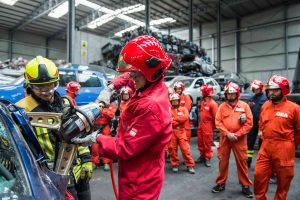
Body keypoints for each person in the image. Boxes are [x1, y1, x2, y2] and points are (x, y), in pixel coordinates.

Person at [72, 35, 173, 200]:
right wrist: (111, 87)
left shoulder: (151, 106)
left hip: (140, 181)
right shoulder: (148, 83)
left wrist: (96, 138)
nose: (132, 77)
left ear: (149, 72)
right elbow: (128, 77)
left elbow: (124, 148)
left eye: (135, 73)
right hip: (136, 168)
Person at [16, 56, 90, 199]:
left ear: (56, 82)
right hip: (47, 179)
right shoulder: (22, 110)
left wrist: (86, 158)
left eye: (50, 85)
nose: (46, 91)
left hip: (75, 174)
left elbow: (79, 134)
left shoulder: (66, 104)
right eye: (39, 87)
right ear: (29, 85)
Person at [254, 74, 300, 200]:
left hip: (284, 147)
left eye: (275, 90)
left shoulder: (294, 108)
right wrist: (261, 130)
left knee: (283, 182)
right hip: (266, 146)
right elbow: (261, 122)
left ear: (283, 90)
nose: (271, 93)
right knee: (258, 176)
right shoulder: (265, 106)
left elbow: (299, 130)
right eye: (269, 90)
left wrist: (291, 145)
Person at [212, 81, 253, 198]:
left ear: (237, 94)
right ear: (226, 95)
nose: (230, 96)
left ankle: (245, 185)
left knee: (242, 162)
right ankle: (220, 183)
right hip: (225, 139)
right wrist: (227, 133)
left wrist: (238, 134)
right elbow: (218, 122)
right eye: (228, 94)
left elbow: (249, 123)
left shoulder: (244, 106)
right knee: (222, 162)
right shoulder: (221, 107)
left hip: (240, 140)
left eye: (232, 94)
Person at [65, 81, 93, 200]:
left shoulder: (71, 102)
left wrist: (86, 160)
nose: (77, 93)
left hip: (77, 168)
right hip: (63, 174)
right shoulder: (66, 103)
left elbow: (78, 136)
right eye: (76, 90)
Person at [168, 92, 195, 174]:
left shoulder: (183, 109)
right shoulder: (169, 110)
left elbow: (185, 117)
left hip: (181, 131)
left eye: (176, 100)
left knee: (185, 149)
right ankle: (175, 164)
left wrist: (174, 119)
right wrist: (178, 120)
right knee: (172, 149)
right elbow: (168, 121)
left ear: (179, 101)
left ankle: (190, 165)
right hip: (172, 132)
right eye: (173, 101)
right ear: (171, 102)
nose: (175, 102)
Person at [246, 80, 267, 168]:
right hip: (253, 124)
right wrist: (249, 106)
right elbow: (248, 110)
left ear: (261, 88)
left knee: (262, 145)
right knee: (249, 143)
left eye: (257, 89)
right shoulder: (252, 97)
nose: (255, 90)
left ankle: (260, 163)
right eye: (254, 89)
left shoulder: (266, 98)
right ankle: (248, 160)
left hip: (263, 125)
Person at [196, 84, 218, 167]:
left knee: (207, 142)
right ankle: (202, 156)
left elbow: (216, 117)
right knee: (200, 142)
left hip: (208, 126)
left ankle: (207, 157)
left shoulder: (213, 104)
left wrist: (212, 127)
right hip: (201, 125)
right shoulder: (203, 102)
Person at [92, 102, 116, 171]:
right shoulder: (95, 104)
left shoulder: (111, 105)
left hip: (106, 127)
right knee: (94, 146)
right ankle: (94, 162)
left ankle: (106, 162)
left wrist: (102, 110)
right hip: (96, 127)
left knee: (106, 145)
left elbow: (111, 115)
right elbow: (92, 114)